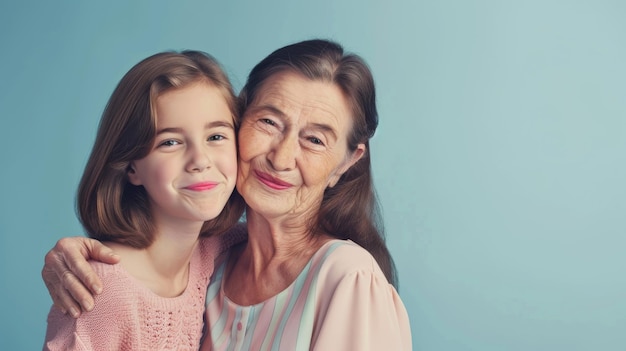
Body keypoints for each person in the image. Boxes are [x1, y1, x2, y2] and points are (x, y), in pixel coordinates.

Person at [43, 39, 412, 350]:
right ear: (240, 118)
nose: (281, 158)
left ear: (347, 163)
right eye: (268, 122)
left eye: (315, 140)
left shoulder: (349, 280)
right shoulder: (212, 259)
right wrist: (74, 258)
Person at [43, 50, 246, 350]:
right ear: (132, 166)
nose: (200, 161)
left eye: (216, 136)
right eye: (170, 142)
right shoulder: (101, 290)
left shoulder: (216, 250)